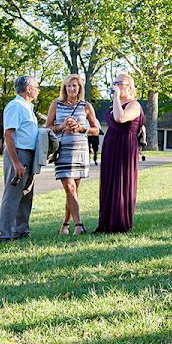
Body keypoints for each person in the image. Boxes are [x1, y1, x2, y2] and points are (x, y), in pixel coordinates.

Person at [45, 74, 100, 235]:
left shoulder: (86, 106)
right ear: (64, 88)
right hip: (62, 150)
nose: (71, 89)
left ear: (79, 88)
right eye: (69, 86)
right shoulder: (56, 104)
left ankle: (65, 225)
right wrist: (62, 126)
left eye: (74, 86)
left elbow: (96, 130)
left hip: (80, 151)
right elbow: (48, 127)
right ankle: (79, 225)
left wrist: (81, 128)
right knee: (69, 187)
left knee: (74, 189)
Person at [95, 73, 144, 233]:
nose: (115, 85)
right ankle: (107, 221)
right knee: (109, 181)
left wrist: (116, 98)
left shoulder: (134, 105)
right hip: (111, 145)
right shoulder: (114, 104)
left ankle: (120, 221)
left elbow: (120, 119)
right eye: (114, 82)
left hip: (125, 146)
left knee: (121, 181)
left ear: (129, 86)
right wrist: (116, 100)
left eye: (120, 83)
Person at [0, 75, 40, 244]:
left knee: (26, 193)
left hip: (29, 154)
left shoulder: (28, 107)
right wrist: (16, 162)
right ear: (28, 89)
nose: (38, 90)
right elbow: (9, 135)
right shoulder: (15, 106)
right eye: (36, 87)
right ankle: (4, 235)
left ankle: (21, 231)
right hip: (18, 153)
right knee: (13, 194)